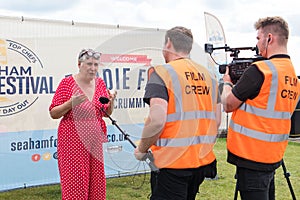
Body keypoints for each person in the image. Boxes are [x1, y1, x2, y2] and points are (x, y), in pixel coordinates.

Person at [134, 26, 221, 200]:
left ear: (168, 43)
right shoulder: (208, 76)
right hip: (199, 162)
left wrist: (141, 149)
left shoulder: (162, 73)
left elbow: (157, 120)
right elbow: (217, 120)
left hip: (171, 164)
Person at [221, 16, 300, 200]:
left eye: (258, 39)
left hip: (251, 157)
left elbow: (227, 104)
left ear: (269, 38)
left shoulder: (260, 70)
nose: (256, 44)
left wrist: (226, 84)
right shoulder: (293, 77)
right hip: (272, 156)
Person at [49, 49, 116, 200]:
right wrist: (70, 104)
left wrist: (111, 102)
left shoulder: (100, 83)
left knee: (96, 182)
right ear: (79, 64)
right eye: (89, 64)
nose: (93, 68)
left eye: (96, 64)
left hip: (95, 140)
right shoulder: (67, 83)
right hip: (73, 140)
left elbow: (106, 113)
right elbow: (54, 113)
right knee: (75, 182)